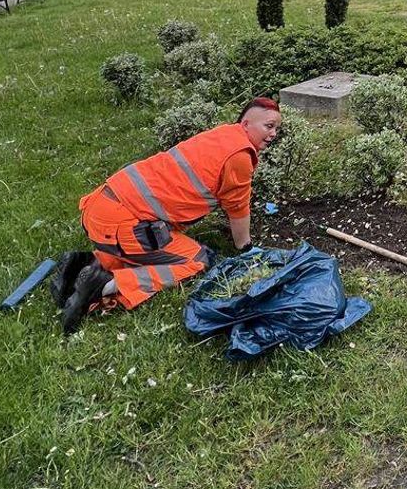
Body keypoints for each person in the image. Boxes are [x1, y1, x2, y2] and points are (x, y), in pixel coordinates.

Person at [56, 98, 283, 334]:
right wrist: (245, 248)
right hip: (121, 224)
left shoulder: (222, 135)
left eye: (277, 128)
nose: (274, 133)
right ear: (246, 124)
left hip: (100, 208)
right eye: (269, 126)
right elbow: (238, 209)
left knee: (147, 249)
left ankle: (87, 264)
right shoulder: (239, 157)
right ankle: (105, 285)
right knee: (197, 260)